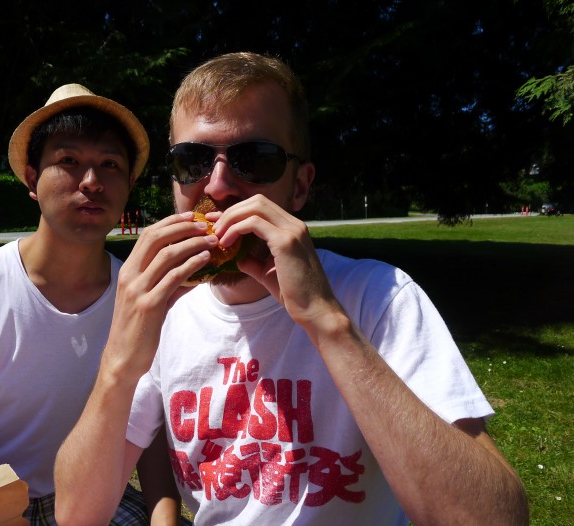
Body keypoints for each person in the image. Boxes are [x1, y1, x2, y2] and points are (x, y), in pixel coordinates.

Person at [54, 53, 529, 525]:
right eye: (193, 160)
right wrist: (119, 358)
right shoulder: (168, 315)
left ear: (300, 187)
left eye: (253, 159)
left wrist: (326, 322)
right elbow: (77, 516)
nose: (217, 186)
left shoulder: (378, 295)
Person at [0, 83, 182, 525]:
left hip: (98, 495)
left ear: (129, 184)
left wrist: (163, 514)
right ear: (32, 178)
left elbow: (146, 426)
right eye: (68, 161)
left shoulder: (143, 295)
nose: (91, 182)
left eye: (109, 164)